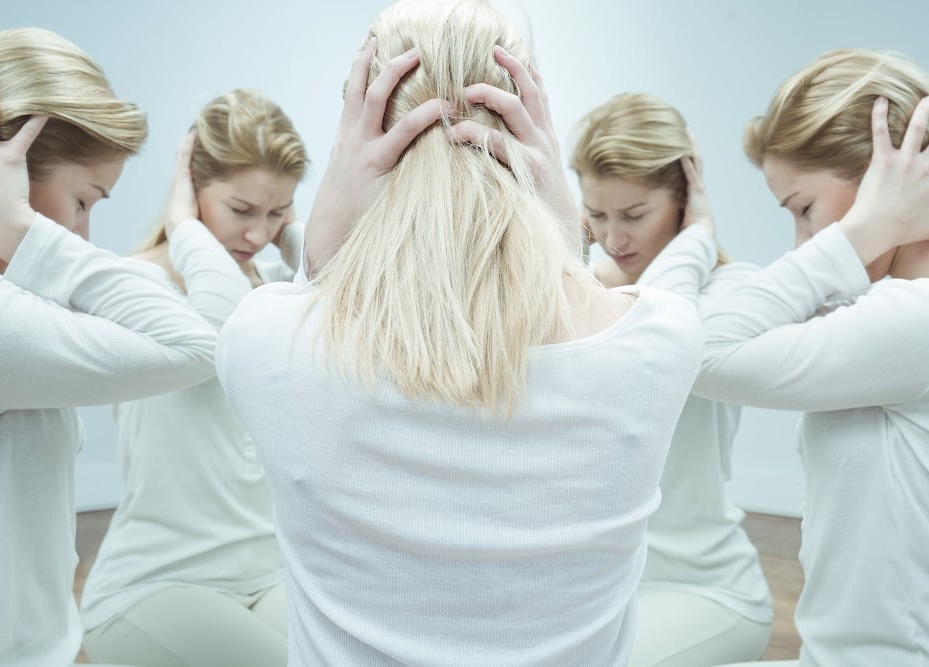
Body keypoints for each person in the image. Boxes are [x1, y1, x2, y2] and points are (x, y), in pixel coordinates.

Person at [216, 1, 704, 664]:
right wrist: (565, 231)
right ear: (530, 125)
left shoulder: (265, 346)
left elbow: (304, 318)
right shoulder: (661, 342)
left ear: (356, 138)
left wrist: (322, 240)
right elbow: (586, 321)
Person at [633, 50, 929, 667]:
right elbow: (700, 327)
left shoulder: (926, 320)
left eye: (804, 210)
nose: (805, 242)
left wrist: (859, 231)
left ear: (882, 180)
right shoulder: (895, 310)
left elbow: (702, 352)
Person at [0, 28, 224, 666]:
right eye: (82, 200)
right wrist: (16, 225)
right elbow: (193, 343)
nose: (83, 232)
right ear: (3, 175)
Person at [79, 89, 308, 667]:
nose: (258, 234)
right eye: (241, 210)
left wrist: (293, 235)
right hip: (159, 583)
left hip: (264, 571)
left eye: (277, 213)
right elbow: (214, 334)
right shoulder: (132, 285)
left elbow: (347, 302)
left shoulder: (271, 278)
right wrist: (181, 226)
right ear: (191, 185)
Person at [570, 93, 773, 667]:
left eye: (634, 215)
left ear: (684, 200)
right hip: (601, 590)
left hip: (703, 589)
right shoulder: (582, 289)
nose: (613, 237)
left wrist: (699, 236)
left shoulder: (734, 295)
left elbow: (665, 340)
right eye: (597, 214)